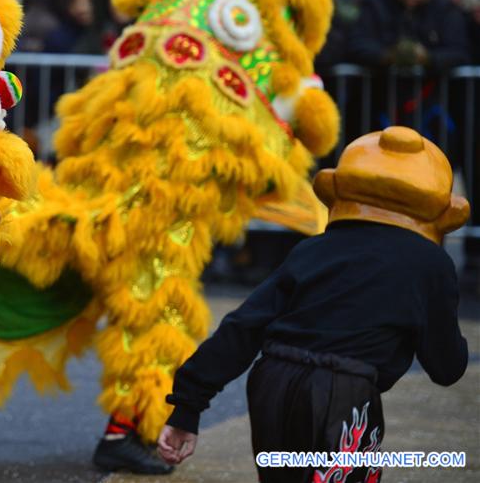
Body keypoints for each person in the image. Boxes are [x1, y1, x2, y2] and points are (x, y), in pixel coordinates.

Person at [158, 126, 470, 483]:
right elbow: (447, 367)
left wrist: (187, 407)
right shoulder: (430, 264)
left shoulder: (315, 249)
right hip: (344, 391)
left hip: (272, 382)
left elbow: (244, 325)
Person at [349, 0, 469, 70]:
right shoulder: (374, 5)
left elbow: (458, 52)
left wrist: (427, 58)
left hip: (431, 88)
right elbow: (358, 45)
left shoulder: (445, 10)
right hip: (381, 86)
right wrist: (387, 56)